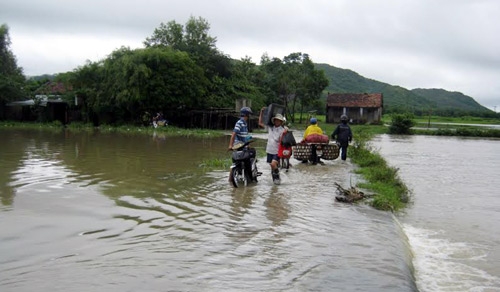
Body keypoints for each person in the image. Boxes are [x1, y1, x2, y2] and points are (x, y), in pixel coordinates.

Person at [258, 109, 286, 185]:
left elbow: (283, 141)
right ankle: (275, 182)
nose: (277, 122)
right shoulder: (270, 128)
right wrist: (261, 112)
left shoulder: (283, 130)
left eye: (279, 121)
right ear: (274, 121)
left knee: (273, 164)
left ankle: (278, 176)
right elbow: (260, 123)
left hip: (277, 151)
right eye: (276, 120)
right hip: (269, 150)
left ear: (281, 122)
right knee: (271, 166)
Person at [228, 107, 255, 180]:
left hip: (243, 145)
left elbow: (245, 137)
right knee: (239, 161)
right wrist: (230, 145)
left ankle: (231, 180)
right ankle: (249, 177)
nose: (249, 116)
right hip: (239, 146)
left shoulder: (244, 123)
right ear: (246, 115)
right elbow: (233, 134)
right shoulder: (240, 123)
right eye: (248, 115)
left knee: (237, 161)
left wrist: (248, 144)